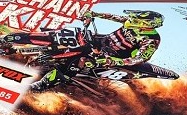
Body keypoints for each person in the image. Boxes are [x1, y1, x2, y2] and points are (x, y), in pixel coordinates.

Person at [29, 9, 164, 92]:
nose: (132, 19)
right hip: (101, 41)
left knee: (81, 60)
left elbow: (139, 58)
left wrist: (114, 61)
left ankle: (42, 85)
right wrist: (93, 14)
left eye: (137, 19)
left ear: (147, 24)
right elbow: (113, 17)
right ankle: (38, 45)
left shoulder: (152, 39)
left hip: (112, 56)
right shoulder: (131, 22)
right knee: (75, 35)